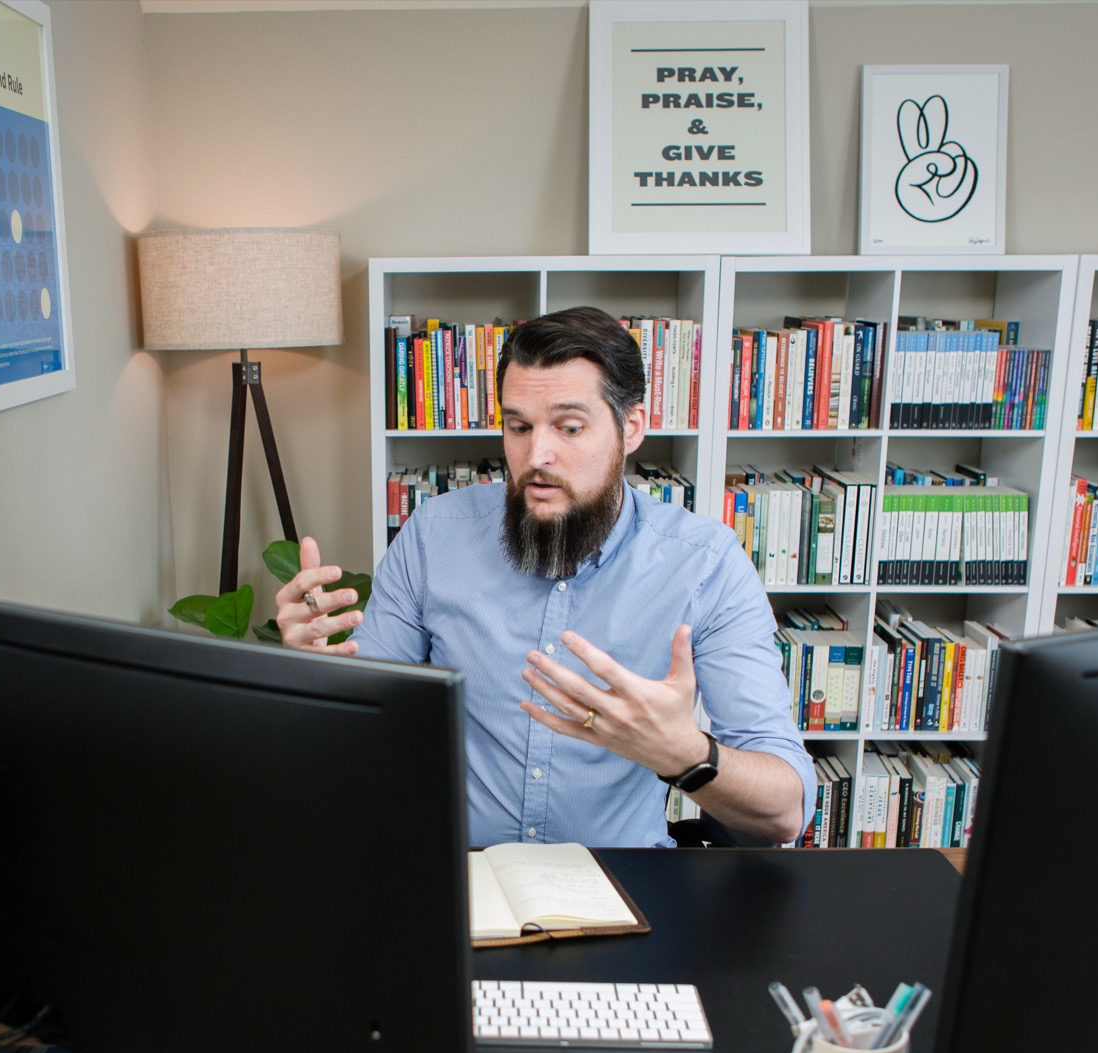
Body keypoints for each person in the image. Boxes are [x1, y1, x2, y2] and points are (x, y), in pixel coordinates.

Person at [277, 305, 814, 848]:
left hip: (627, 884)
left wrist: (686, 756)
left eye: (569, 427)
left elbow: (785, 811)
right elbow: (362, 731)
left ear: (631, 428)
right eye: (518, 427)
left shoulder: (706, 563)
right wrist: (312, 679)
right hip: (459, 874)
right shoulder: (433, 536)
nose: (537, 456)